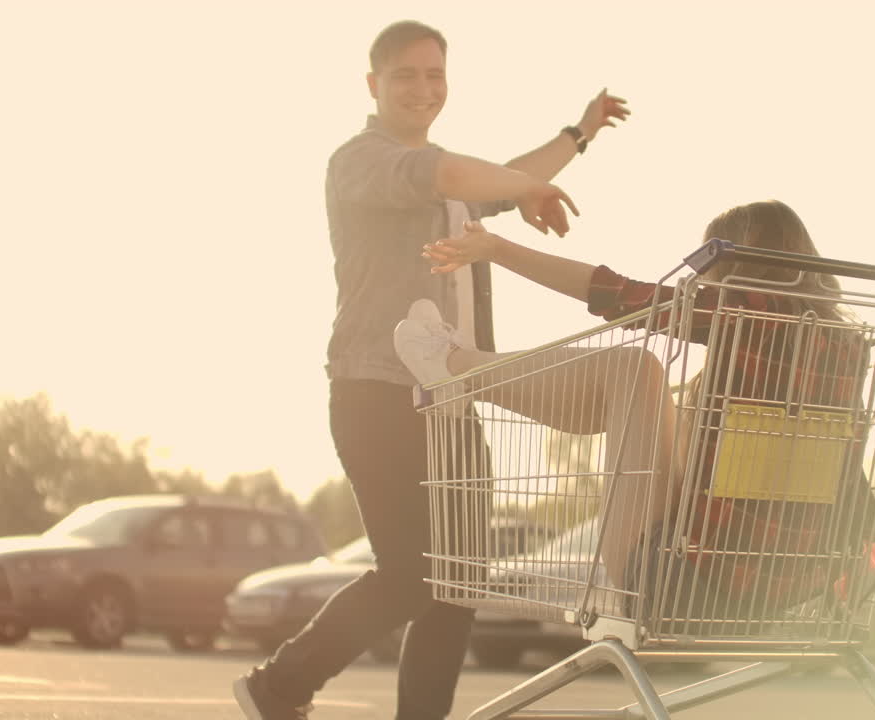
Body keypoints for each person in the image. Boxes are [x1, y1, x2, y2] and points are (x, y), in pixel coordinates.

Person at [232, 20, 630, 720]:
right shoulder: (360, 161)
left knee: (459, 583)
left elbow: (506, 178)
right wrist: (521, 186)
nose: (423, 88)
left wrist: (581, 131)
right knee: (411, 575)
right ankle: (280, 685)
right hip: (376, 390)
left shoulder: (456, 190)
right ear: (373, 85)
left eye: (435, 75)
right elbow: (451, 170)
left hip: (455, 399)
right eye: (406, 76)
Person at [394, 200, 875, 613]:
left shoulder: (745, 314)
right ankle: (467, 378)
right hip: (790, 596)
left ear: (733, 265)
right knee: (655, 393)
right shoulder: (848, 350)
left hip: (685, 586)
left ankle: (454, 365)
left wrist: (497, 249)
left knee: (633, 370)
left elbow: (615, 293)